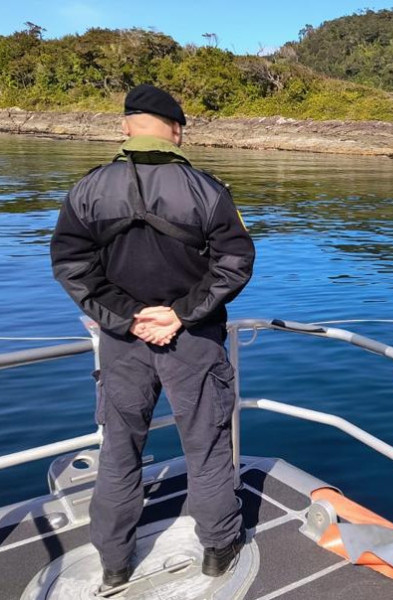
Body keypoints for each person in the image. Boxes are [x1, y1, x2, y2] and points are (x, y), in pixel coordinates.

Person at [50, 84, 256, 588]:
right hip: (194, 341)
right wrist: (180, 314)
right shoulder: (209, 190)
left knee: (120, 451)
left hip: (123, 344)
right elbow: (236, 262)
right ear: (177, 129)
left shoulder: (87, 190)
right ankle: (218, 549)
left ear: (125, 126)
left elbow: (71, 264)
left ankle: (115, 563)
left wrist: (127, 316)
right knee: (205, 447)